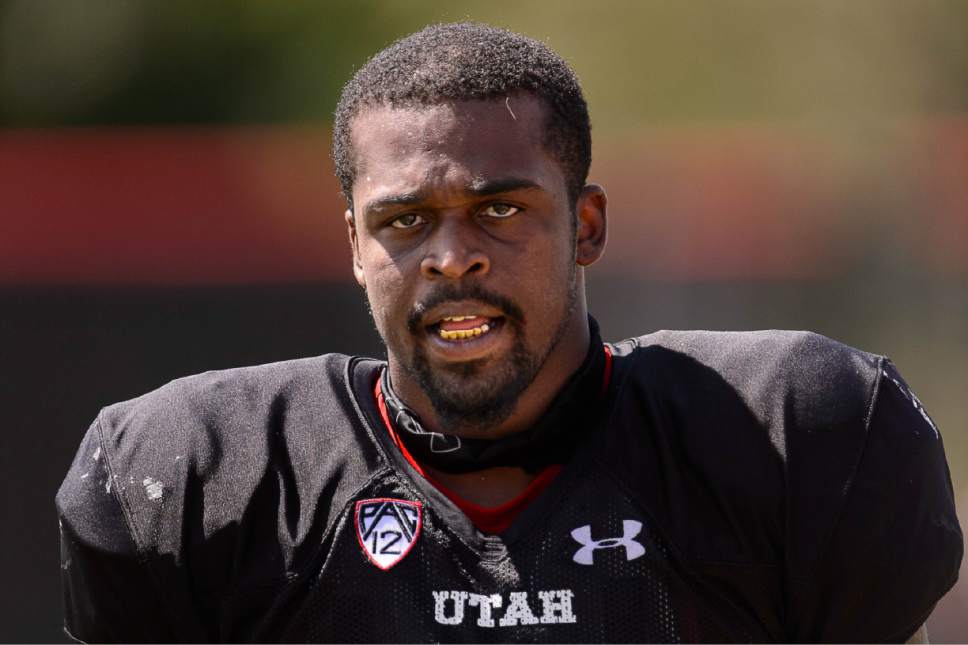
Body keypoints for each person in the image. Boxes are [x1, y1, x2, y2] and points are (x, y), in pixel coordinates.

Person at [57, 22, 961, 643]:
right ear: (355, 247)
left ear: (588, 225)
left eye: (498, 209)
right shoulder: (200, 476)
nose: (453, 258)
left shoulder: (790, 437)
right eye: (405, 220)